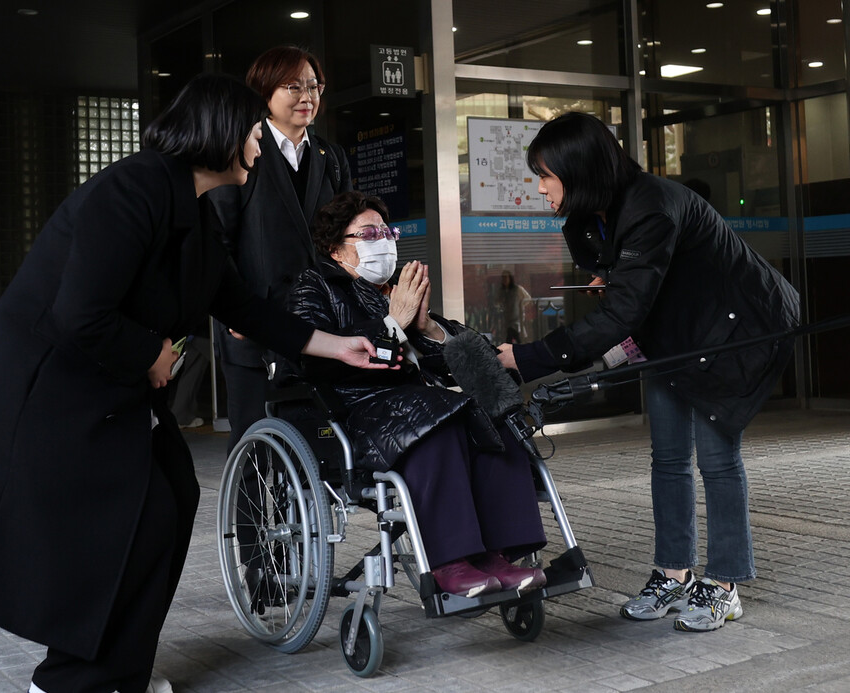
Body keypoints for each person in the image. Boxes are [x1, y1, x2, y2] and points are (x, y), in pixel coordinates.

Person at [0, 74, 390, 693]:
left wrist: (336, 344)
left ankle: (117, 672)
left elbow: (244, 307)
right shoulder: (133, 188)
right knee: (127, 521)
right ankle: (70, 681)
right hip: (45, 388)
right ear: (222, 132)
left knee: (172, 496)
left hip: (104, 383)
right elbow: (79, 313)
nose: (260, 144)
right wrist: (151, 355)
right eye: (255, 132)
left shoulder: (193, 214)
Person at [497, 111, 799, 632]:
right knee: (669, 457)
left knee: (718, 459)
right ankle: (673, 573)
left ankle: (723, 584)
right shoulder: (593, 216)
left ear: (580, 169)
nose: (539, 188)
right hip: (675, 335)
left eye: (545, 175)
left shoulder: (651, 205)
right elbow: (627, 287)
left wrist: (528, 359)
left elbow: (622, 314)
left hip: (734, 331)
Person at [284, 190, 548, 598]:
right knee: (437, 421)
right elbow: (317, 358)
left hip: (416, 403)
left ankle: (498, 554)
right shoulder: (314, 287)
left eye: (387, 232)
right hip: (355, 407)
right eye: (368, 233)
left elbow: (459, 351)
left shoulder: (392, 289)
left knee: (492, 417)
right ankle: (449, 561)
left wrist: (425, 328)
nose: (384, 240)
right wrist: (393, 323)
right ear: (336, 249)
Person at [205, 45, 352, 456]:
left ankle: (310, 521)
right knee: (254, 442)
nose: (308, 96)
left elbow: (344, 234)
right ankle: (248, 524)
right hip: (252, 323)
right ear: (264, 92)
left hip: (317, 321)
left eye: (314, 85)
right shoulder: (241, 152)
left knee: (312, 438)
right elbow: (217, 239)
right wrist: (234, 308)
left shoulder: (332, 157)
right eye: (294, 86)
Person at [497, 269, 532, 343]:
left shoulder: (517, 289)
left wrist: (521, 305)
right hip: (507, 318)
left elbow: (527, 298)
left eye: (506, 278)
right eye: (503, 278)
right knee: (509, 336)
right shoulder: (502, 291)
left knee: (515, 333)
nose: (505, 280)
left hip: (516, 318)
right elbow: (497, 302)